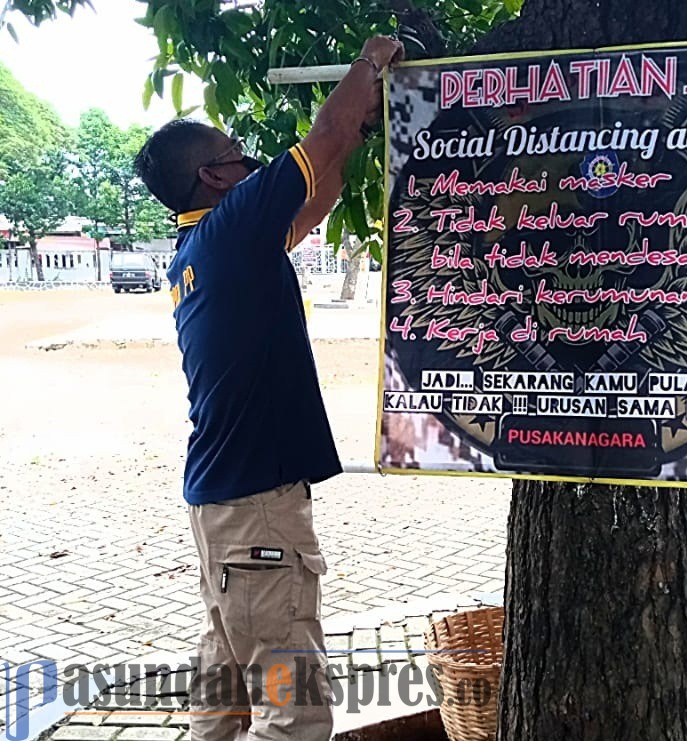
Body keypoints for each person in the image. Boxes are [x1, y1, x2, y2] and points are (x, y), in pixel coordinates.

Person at [134, 35, 404, 741]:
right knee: (294, 717)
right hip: (255, 517)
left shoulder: (205, 249)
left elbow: (323, 185)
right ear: (217, 178)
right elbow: (325, 135)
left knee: (222, 703)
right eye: (239, 154)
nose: (254, 164)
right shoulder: (232, 231)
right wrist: (371, 64)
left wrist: (355, 127)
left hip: (228, 519)